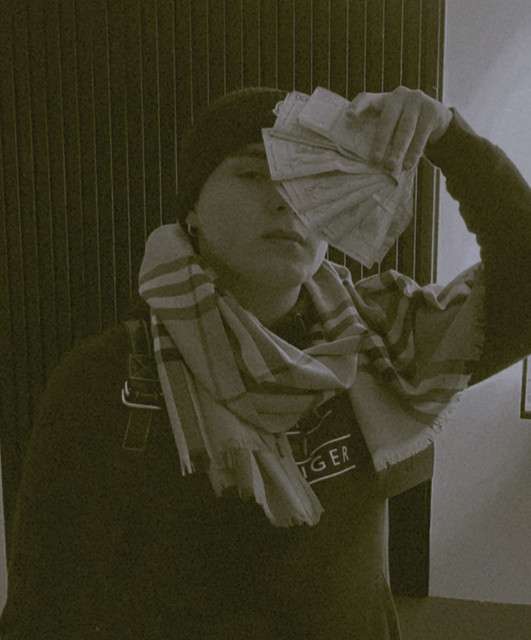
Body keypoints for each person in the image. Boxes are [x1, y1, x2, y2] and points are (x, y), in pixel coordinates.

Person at [1, 86, 530, 639]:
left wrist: (449, 138)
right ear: (192, 211)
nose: (286, 200)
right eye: (253, 173)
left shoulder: (378, 344)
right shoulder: (105, 379)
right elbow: (42, 612)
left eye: (310, 176)